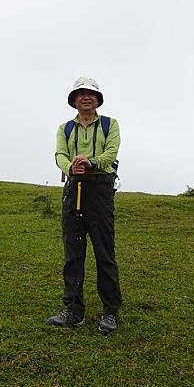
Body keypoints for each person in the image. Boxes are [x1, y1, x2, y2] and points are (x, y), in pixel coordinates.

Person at [47, 76, 123, 334]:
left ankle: (110, 312)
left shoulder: (110, 124)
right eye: (81, 94)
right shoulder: (65, 128)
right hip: (73, 189)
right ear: (74, 101)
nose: (86, 97)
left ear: (98, 99)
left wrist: (90, 162)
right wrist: (70, 166)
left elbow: (111, 152)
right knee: (73, 253)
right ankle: (73, 310)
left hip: (100, 190)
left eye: (91, 93)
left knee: (104, 252)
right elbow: (59, 154)